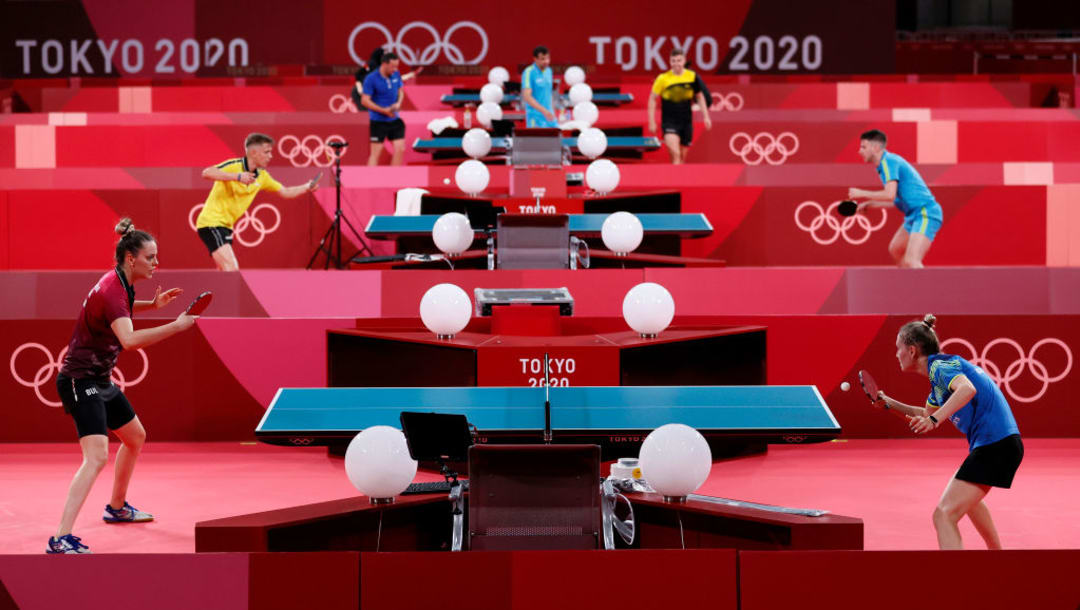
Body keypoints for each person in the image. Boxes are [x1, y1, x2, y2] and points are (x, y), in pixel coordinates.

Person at [47, 219, 199, 554]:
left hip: (99, 379)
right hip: (78, 380)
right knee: (96, 456)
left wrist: (153, 307)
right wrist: (175, 325)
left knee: (135, 436)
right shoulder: (114, 288)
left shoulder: (121, 281)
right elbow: (128, 340)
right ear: (132, 258)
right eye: (151, 258)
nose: (156, 263)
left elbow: (121, 312)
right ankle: (60, 537)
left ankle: (116, 507)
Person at [874, 314, 1023, 550]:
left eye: (898, 348)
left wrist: (934, 419)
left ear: (912, 351)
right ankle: (998, 557)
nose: (896, 354)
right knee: (968, 502)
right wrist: (890, 404)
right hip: (1000, 444)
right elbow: (924, 413)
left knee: (943, 515)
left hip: (996, 445)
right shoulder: (940, 381)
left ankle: (955, 580)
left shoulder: (940, 365)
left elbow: (967, 389)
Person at [195, 133, 320, 271]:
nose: (270, 156)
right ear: (253, 153)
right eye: (266, 152)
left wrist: (307, 187)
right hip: (211, 223)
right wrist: (236, 177)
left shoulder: (263, 176)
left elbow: (285, 192)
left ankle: (215, 293)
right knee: (231, 269)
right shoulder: (234, 166)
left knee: (224, 272)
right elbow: (206, 173)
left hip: (226, 226)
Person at [848, 129, 944, 268]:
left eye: (863, 147)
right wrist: (871, 204)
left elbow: (889, 194)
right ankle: (909, 283)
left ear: (875, 148)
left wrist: (861, 192)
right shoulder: (883, 166)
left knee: (912, 260)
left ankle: (926, 288)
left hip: (926, 213)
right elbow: (896, 200)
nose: (859, 151)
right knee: (896, 250)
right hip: (913, 215)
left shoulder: (888, 162)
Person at [647, 48, 712, 164]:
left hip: (686, 122)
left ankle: (675, 178)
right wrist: (651, 121)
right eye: (673, 61)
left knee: (681, 157)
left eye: (679, 60)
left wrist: (706, 116)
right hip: (669, 122)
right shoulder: (662, 78)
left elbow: (700, 96)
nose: (676, 63)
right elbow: (652, 99)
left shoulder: (692, 76)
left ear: (684, 61)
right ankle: (675, 181)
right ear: (670, 62)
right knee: (676, 154)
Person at [360, 51, 408, 166]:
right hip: (378, 121)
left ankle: (394, 180)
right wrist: (384, 111)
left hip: (395, 120)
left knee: (400, 149)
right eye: (393, 66)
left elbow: (401, 91)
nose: (395, 69)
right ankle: (369, 180)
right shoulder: (371, 79)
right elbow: (364, 101)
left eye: (397, 66)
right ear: (384, 64)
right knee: (375, 153)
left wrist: (398, 103)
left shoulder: (396, 74)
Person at [522, 45, 557, 128]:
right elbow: (527, 97)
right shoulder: (529, 72)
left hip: (549, 116)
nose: (546, 61)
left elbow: (549, 93)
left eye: (548, 58)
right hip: (535, 117)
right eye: (542, 59)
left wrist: (552, 111)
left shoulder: (549, 71)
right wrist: (544, 111)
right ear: (535, 59)